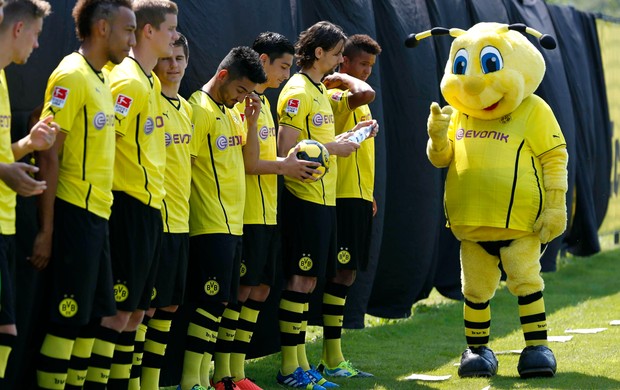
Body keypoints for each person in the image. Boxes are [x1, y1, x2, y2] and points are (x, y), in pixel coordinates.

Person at [31, 1, 135, 388]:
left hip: (99, 215)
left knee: (93, 317)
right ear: (103, 28)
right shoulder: (71, 75)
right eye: (128, 30)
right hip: (74, 212)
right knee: (68, 316)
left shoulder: (103, 78)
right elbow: (48, 152)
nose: (133, 39)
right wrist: (47, 229)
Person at [82, 1, 179, 388]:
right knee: (118, 312)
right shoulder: (128, 80)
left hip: (151, 207)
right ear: (148, 32)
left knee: (138, 312)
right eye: (170, 29)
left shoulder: (151, 80)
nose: (175, 37)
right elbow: (108, 138)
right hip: (127, 206)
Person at [275, 21, 376, 390]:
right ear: (319, 52)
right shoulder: (298, 90)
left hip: (324, 198)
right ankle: (290, 368)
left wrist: (344, 139)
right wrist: (335, 147)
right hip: (303, 198)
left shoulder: (318, 90)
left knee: (310, 280)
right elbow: (287, 150)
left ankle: (302, 364)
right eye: (336, 55)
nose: (339, 62)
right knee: (300, 280)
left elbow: (318, 142)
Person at [230, 32, 320, 390]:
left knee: (262, 290)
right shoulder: (241, 103)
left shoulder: (264, 102)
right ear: (261, 61)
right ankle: (226, 374)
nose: (286, 74)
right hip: (246, 212)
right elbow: (250, 163)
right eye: (283, 66)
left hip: (269, 212)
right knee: (240, 291)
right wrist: (287, 165)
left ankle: (238, 372)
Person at [179, 46, 265, 390]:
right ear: (224, 76)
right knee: (207, 303)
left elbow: (250, 162)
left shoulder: (230, 112)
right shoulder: (199, 110)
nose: (243, 97)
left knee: (220, 305)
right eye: (241, 90)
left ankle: (212, 379)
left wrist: (253, 121)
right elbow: (185, 167)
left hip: (233, 223)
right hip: (208, 224)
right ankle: (191, 381)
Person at [317, 33, 382, 379]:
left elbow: (356, 146)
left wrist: (367, 193)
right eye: (362, 64)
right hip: (338, 196)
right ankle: (330, 357)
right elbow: (363, 93)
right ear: (344, 62)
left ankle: (334, 356)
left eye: (371, 66)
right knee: (339, 273)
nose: (368, 72)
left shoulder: (356, 96)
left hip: (356, 196)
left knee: (348, 273)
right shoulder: (338, 91)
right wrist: (344, 77)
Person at [0, 0, 55, 383]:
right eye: (36, 35)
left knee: (6, 331)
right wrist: (6, 169)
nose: (37, 46)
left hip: (5, 229)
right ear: (19, 29)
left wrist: (25, 145)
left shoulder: (1, 79)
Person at [140, 33, 192, 390]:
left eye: (179, 59)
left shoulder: (188, 109)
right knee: (143, 310)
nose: (172, 66)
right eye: (166, 59)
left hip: (181, 222)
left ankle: (153, 383)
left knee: (170, 307)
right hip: (152, 220)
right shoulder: (147, 100)